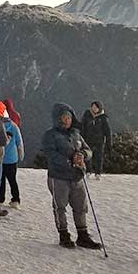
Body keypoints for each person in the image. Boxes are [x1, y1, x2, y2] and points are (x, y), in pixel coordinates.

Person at [42, 103, 102, 249]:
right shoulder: (50, 135)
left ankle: (83, 235)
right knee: (60, 206)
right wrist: (71, 160)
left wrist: (82, 155)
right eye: (64, 117)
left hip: (77, 176)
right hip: (59, 177)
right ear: (58, 118)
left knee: (81, 206)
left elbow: (88, 150)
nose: (67, 120)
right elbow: (51, 155)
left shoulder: (76, 134)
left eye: (69, 117)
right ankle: (64, 235)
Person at [0, 110, 24, 208]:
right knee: (12, 180)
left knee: (1, 181)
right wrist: (20, 155)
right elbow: (19, 142)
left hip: (0, 158)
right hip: (12, 159)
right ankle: (15, 199)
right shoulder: (14, 127)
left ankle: (0, 199)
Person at [81, 101, 112, 180]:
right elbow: (83, 126)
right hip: (88, 139)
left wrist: (109, 143)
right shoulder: (87, 115)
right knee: (88, 155)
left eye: (96, 107)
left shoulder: (103, 117)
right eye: (93, 107)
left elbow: (107, 131)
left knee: (98, 156)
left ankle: (98, 173)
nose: (94, 109)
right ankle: (88, 171)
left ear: (99, 108)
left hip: (99, 140)